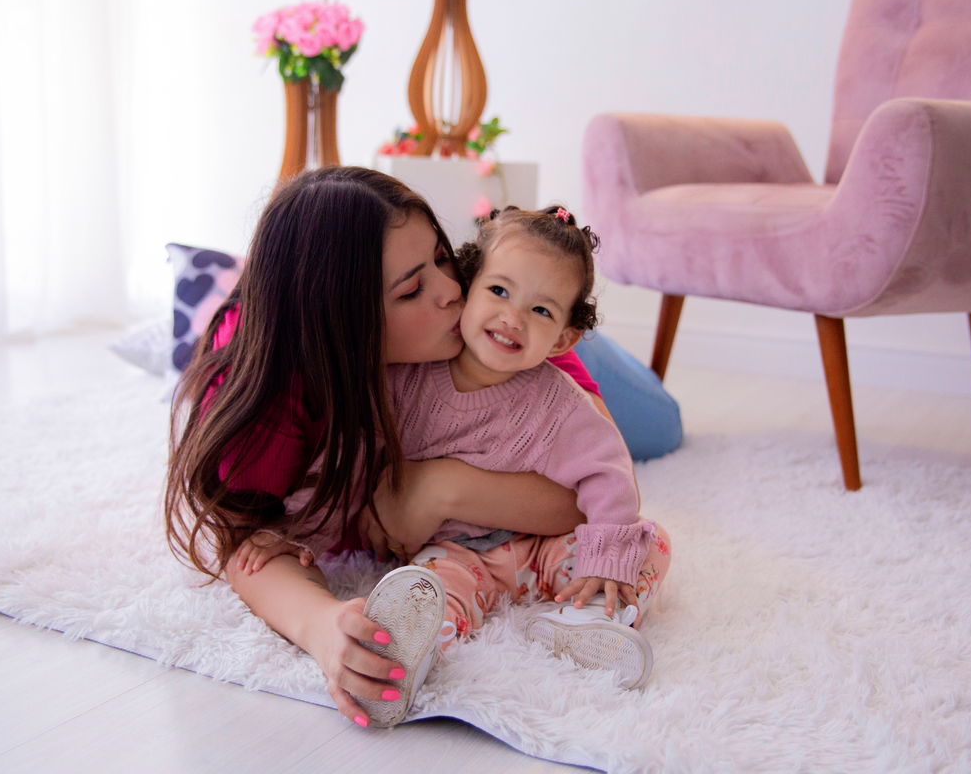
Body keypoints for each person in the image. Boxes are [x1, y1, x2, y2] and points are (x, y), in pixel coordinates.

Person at [164, 167, 680, 730]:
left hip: (523, 359)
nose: (452, 292)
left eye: (443, 258)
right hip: (437, 480)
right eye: (412, 289)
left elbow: (600, 481)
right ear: (349, 325)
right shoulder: (272, 393)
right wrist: (325, 627)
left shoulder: (506, 327)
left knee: (662, 427)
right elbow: (249, 544)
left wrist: (437, 486)